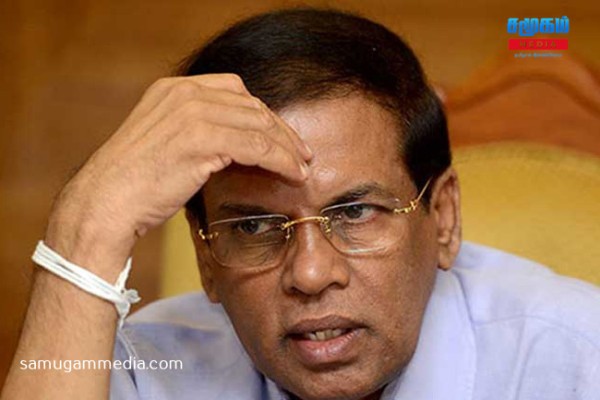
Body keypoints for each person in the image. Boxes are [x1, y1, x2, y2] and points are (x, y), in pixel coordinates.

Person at [2, 8, 600, 400]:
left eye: (354, 213)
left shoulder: (578, 359)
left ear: (442, 218)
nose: (311, 274)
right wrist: (84, 223)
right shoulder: (145, 369)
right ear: (205, 258)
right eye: (255, 226)